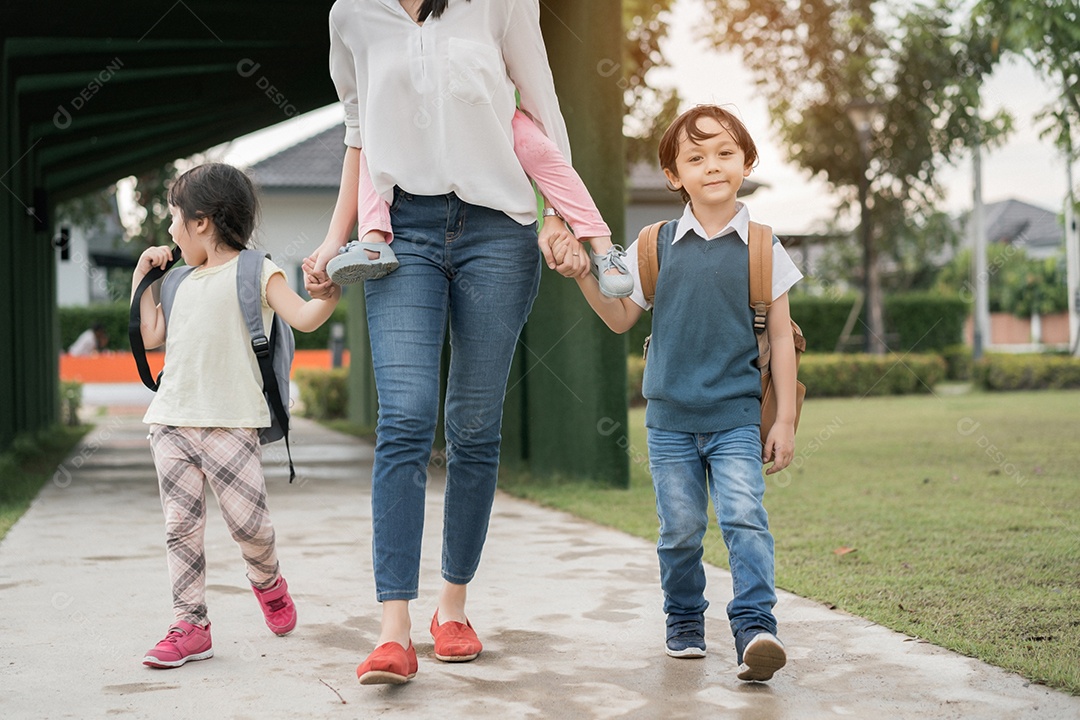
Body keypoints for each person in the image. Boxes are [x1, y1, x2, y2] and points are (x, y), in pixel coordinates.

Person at [304, 0, 596, 685]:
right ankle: (393, 630)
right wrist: (332, 236)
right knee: (403, 415)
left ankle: (453, 608)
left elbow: (545, 110)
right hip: (400, 233)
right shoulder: (352, 15)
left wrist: (561, 216)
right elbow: (358, 134)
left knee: (473, 422)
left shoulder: (501, 5)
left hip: (498, 230)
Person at [563, 105, 802, 682]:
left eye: (724, 153)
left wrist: (786, 419)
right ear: (674, 175)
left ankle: (755, 628)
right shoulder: (655, 245)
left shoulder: (765, 248)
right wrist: (581, 276)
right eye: (695, 158)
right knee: (681, 528)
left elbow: (782, 339)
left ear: (747, 161)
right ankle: (685, 622)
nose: (712, 166)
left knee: (745, 516)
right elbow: (621, 318)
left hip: (738, 417)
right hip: (668, 421)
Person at [132, 163, 341, 669]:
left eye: (175, 220)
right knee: (180, 526)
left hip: (231, 422)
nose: (171, 232)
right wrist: (144, 278)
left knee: (250, 526)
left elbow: (304, 318)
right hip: (172, 422)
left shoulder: (256, 270)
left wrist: (327, 296)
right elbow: (152, 334)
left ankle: (267, 581)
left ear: (202, 221)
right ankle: (191, 623)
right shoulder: (177, 280)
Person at [326, 108, 633, 297]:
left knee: (538, 150)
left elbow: (540, 107)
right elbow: (359, 130)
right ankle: (372, 240)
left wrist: (553, 215)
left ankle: (604, 248)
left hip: (485, 111)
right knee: (373, 139)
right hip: (410, 124)